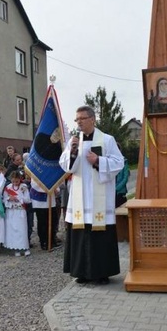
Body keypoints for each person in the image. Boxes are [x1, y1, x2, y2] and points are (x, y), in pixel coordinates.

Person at [59, 105, 124, 285]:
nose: (78, 122)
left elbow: (119, 163)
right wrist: (72, 153)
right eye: (77, 119)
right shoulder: (74, 141)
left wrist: (98, 161)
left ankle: (102, 273)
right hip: (80, 200)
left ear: (92, 119)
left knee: (100, 238)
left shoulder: (107, 140)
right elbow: (65, 166)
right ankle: (81, 272)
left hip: (99, 202)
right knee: (80, 236)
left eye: (82, 118)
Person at [3, 171, 31, 257]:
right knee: (13, 230)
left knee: (22, 229)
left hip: (20, 210)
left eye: (17, 181)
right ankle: (16, 248)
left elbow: (28, 199)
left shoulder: (24, 187)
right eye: (13, 181)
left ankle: (25, 247)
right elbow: (4, 200)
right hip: (11, 211)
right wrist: (9, 198)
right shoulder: (8, 187)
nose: (15, 183)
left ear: (20, 179)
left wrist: (19, 198)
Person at [30, 180, 61, 251]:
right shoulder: (37, 169)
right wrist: (48, 188)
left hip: (51, 200)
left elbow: (56, 180)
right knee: (42, 223)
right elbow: (34, 185)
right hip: (40, 202)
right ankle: (44, 242)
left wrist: (56, 188)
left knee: (53, 221)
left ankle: (52, 240)